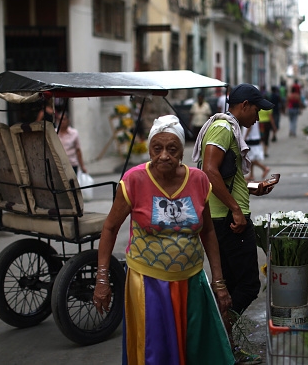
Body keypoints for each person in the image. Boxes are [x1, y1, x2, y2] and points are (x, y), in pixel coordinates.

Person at [93, 115, 234, 365]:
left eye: (172, 149)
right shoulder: (134, 181)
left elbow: (208, 232)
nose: (164, 156)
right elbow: (110, 228)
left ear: (182, 151)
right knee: (155, 353)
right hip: (148, 284)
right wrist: (102, 278)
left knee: (195, 351)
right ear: (149, 150)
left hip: (192, 282)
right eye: (157, 149)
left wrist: (219, 281)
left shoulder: (199, 180)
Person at [192, 83, 274, 365]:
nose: (258, 118)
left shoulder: (228, 129)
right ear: (245, 106)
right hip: (225, 219)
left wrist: (252, 187)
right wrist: (236, 209)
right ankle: (220, 334)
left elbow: (226, 176)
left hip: (222, 216)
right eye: (257, 110)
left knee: (226, 285)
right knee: (249, 285)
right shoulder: (225, 129)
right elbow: (209, 171)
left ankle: (225, 345)